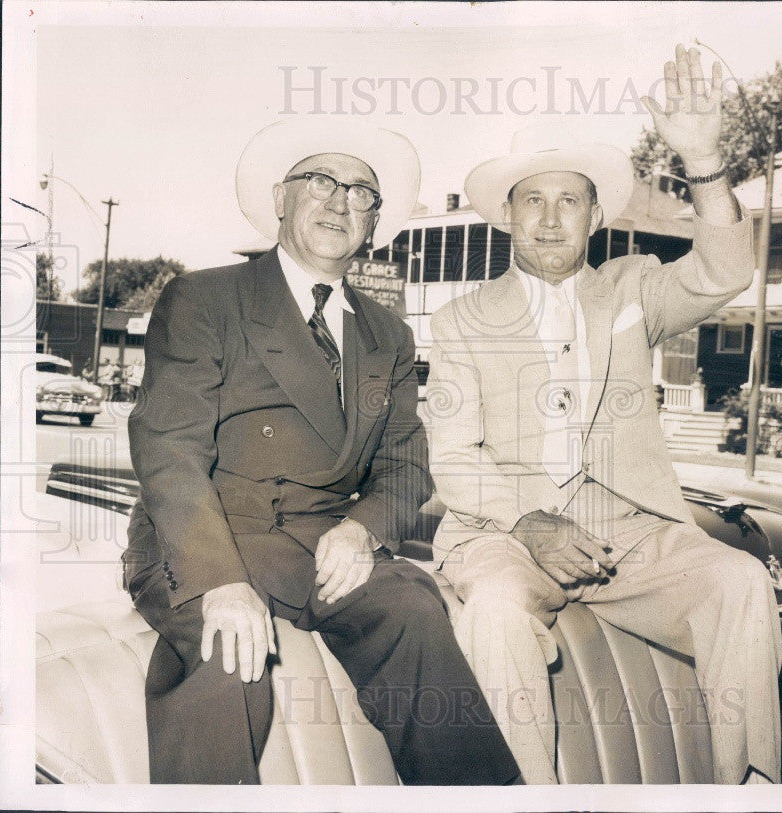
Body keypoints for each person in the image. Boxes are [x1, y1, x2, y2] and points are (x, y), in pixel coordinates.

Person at [123, 118, 520, 785]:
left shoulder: (388, 333)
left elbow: (403, 462)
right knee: (230, 656)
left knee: (416, 607)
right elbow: (169, 448)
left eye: (362, 191)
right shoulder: (206, 297)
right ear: (281, 198)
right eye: (321, 181)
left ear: (374, 221)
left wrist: (364, 530)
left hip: (320, 544)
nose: (340, 201)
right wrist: (220, 582)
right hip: (203, 534)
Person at [427, 45, 781, 785]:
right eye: (533, 199)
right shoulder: (462, 317)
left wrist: (705, 159)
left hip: (631, 537)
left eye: (570, 200)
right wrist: (532, 521)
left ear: (595, 213)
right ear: (506, 215)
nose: (551, 219)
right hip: (507, 532)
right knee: (491, 609)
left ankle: (747, 792)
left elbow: (725, 269)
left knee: (741, 579)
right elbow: (455, 455)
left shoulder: (632, 287)